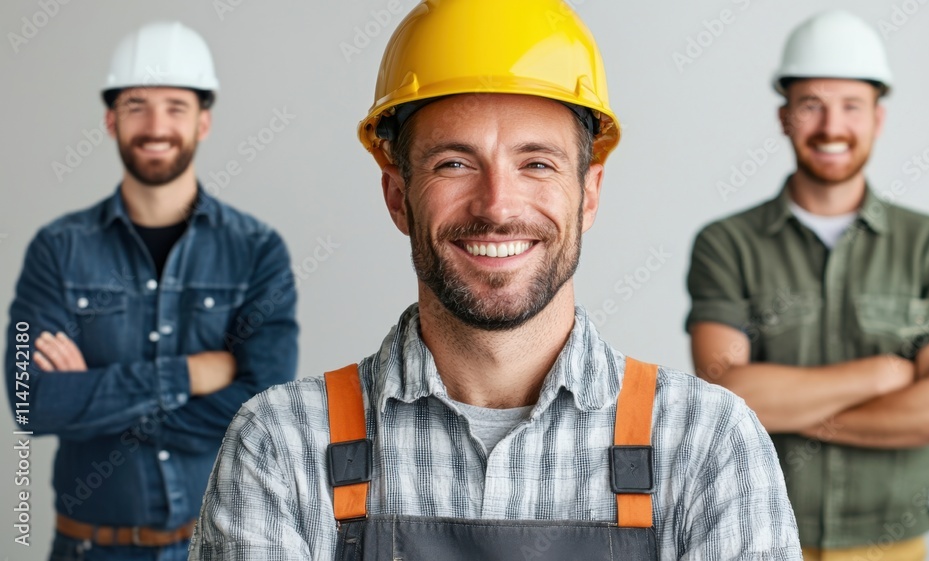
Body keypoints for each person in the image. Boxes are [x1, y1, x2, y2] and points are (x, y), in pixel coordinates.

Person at [190, 1, 801, 559]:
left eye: (536, 163)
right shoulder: (284, 445)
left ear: (588, 194)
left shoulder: (704, 443)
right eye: (454, 163)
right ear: (398, 196)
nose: (497, 206)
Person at [686, 10, 929, 561]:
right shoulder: (725, 244)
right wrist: (882, 374)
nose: (831, 126)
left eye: (851, 106)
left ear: (878, 118)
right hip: (757, 536)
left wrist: (791, 410)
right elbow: (726, 395)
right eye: (811, 105)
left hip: (889, 547)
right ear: (784, 117)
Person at [4, 21, 298, 560]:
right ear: (110, 119)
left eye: (175, 107)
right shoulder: (58, 249)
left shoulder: (256, 249)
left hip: (220, 547)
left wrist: (92, 400)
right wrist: (190, 374)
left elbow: (264, 410)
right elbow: (31, 402)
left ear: (203, 121)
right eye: (136, 106)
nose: (156, 126)